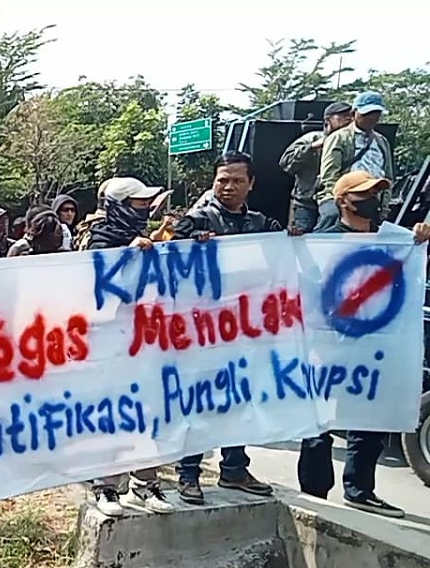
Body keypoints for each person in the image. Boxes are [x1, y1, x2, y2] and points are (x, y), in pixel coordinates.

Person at [293, 171, 430, 518]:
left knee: (371, 420)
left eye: (377, 193)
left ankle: (359, 490)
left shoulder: (395, 241)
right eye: (364, 194)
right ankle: (314, 496)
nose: (374, 200)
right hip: (329, 350)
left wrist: (420, 240)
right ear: (342, 201)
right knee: (318, 424)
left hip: (374, 348)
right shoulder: (321, 243)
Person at [170, 151, 284, 505]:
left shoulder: (263, 225)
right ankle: (188, 473)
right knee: (200, 404)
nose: (228, 187)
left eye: (236, 180)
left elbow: (286, 262)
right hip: (202, 334)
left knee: (239, 402)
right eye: (222, 180)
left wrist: (294, 238)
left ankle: (234, 469)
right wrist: (190, 247)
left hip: (244, 333)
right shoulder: (195, 222)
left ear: (251, 184)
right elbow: (169, 261)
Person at [80, 178, 175, 515]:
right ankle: (105, 487)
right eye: (137, 203)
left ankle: (145, 483)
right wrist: (126, 256)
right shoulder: (98, 241)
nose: (145, 209)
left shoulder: (148, 242)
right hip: (109, 346)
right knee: (112, 414)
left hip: (145, 341)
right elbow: (96, 288)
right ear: (118, 206)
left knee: (149, 412)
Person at [314, 92, 395, 232]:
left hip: (373, 195)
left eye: (376, 113)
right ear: (354, 113)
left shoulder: (382, 142)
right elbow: (329, 176)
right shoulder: (338, 138)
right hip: (343, 196)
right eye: (367, 113)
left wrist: (384, 205)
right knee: (331, 220)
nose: (372, 117)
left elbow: (387, 174)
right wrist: (343, 200)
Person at [279, 101, 352, 233]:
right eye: (342, 116)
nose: (348, 119)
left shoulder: (351, 143)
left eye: (350, 115)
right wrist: (312, 147)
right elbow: (285, 162)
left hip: (336, 203)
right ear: (328, 120)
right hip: (307, 203)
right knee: (300, 242)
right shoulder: (311, 138)